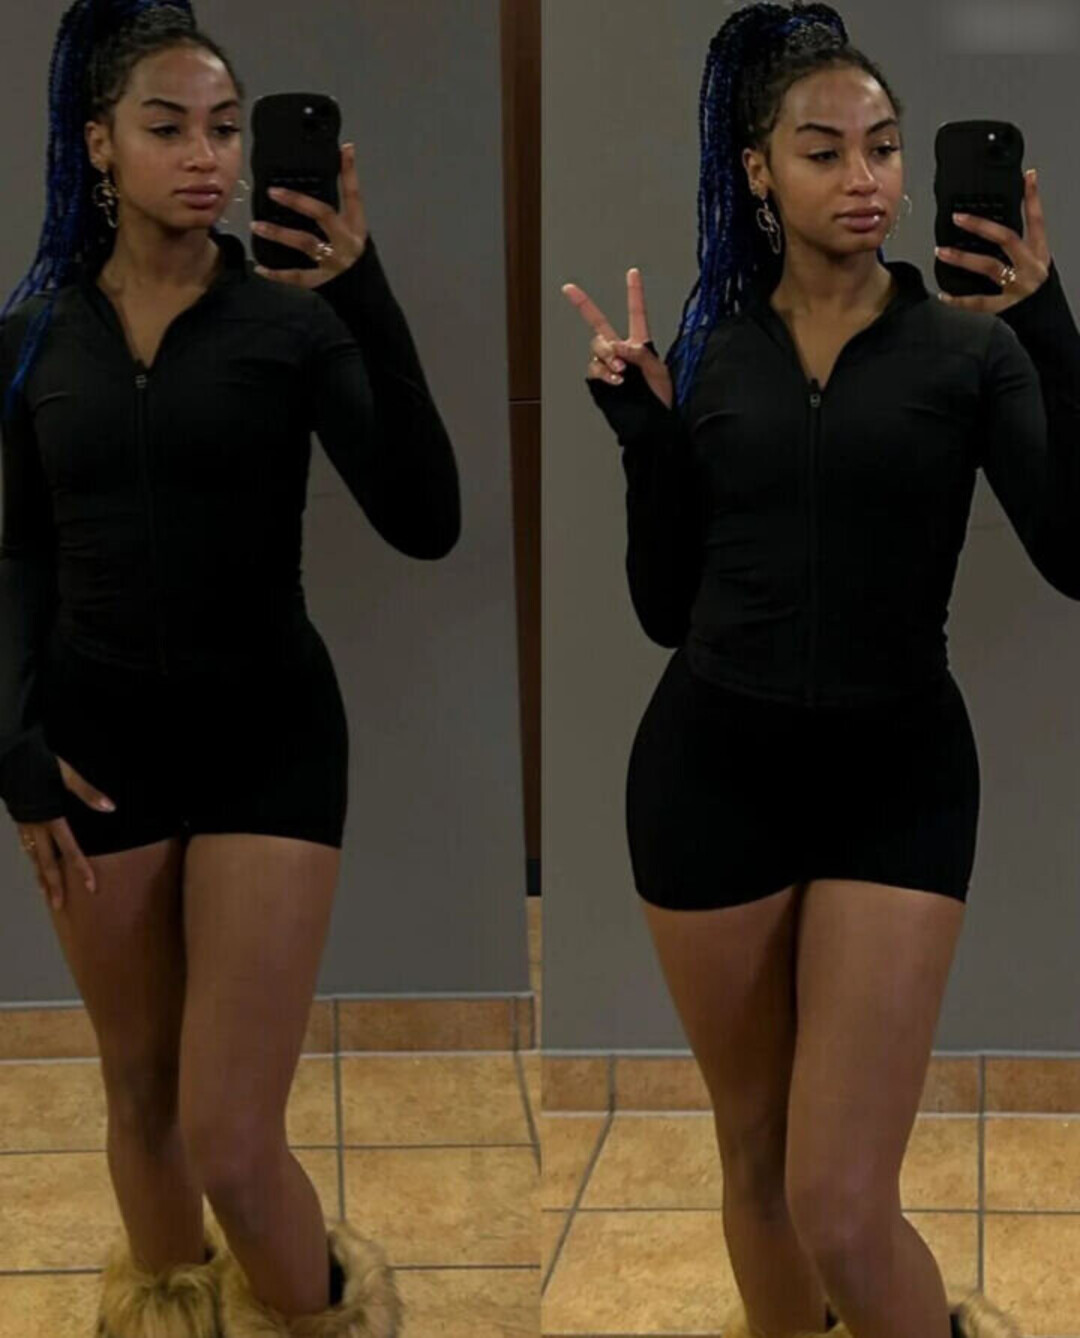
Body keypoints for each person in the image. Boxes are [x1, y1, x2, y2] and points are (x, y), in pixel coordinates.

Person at [562, 3, 1078, 1337]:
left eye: (884, 148)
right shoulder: (715, 354)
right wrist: (646, 439)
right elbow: (664, 609)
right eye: (825, 150)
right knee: (755, 1154)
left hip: (895, 780)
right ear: (758, 170)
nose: (865, 179)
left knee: (841, 1199)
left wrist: (1048, 320)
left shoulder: (970, 348)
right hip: (707, 779)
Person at [0, 2, 460, 1335]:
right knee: (140, 1089)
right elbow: (20, 552)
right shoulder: (34, 339)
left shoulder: (290, 324)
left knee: (230, 1130)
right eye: (168, 128)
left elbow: (426, 516)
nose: (206, 156)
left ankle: (318, 1317)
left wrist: (360, 287)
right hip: (95, 749)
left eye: (223, 129)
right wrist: (12, 742)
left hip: (269, 740)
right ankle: (168, 1314)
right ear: (99, 143)